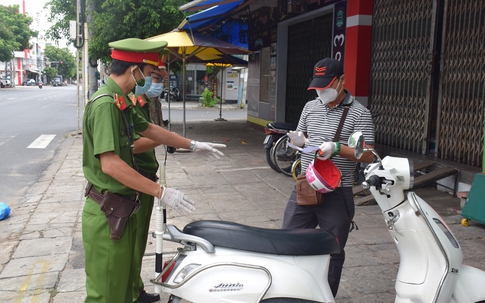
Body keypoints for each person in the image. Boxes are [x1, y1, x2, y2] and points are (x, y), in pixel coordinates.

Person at [82, 37, 226, 303]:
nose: (150, 79)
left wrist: (193, 145)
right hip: (107, 212)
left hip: (122, 208)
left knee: (124, 289)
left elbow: (149, 129)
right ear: (134, 69)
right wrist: (161, 192)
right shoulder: (105, 105)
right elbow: (111, 164)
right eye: (149, 73)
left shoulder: (119, 101)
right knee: (107, 294)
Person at [284, 57, 375, 297]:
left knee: (332, 251)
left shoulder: (358, 114)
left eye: (326, 87)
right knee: (287, 241)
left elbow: (367, 155)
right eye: (318, 88)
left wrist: (337, 148)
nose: (321, 92)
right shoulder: (310, 107)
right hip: (305, 186)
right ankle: (291, 294)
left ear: (342, 81)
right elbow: (301, 137)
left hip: (337, 192)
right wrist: (297, 142)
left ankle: (324, 297)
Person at [130, 62, 169, 303]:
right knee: (133, 243)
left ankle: (136, 288)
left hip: (146, 174)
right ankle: (132, 293)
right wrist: (163, 137)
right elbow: (131, 145)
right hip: (137, 179)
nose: (155, 82)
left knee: (141, 239)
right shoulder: (129, 103)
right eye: (152, 76)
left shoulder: (142, 102)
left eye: (159, 78)